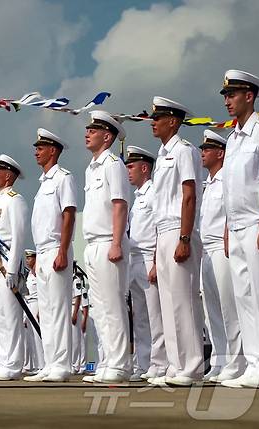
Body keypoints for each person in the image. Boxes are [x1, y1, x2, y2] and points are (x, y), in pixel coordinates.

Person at [219, 70, 259, 389]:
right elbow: (230, 188)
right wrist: (227, 228)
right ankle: (254, 363)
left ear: (249, 96)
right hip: (237, 226)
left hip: (256, 223)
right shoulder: (233, 138)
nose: (227, 100)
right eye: (225, 95)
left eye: (232, 95)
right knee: (244, 297)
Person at [148, 96, 204, 387]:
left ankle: (193, 367)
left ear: (173, 121)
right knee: (168, 302)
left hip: (179, 230)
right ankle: (176, 364)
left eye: (158, 118)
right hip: (163, 231)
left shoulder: (185, 150)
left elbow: (189, 194)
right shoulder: (162, 155)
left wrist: (185, 237)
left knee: (184, 300)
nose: (153, 123)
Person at [81, 111, 131, 384]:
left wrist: (116, 242)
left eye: (94, 129)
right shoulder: (92, 167)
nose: (87, 133)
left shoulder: (113, 164)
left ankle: (120, 365)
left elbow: (120, 204)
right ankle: (108, 361)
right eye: (88, 128)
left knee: (113, 305)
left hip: (108, 243)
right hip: (92, 244)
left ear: (107, 136)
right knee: (99, 308)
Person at [25, 128, 77, 383]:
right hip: (42, 252)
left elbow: (68, 215)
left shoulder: (62, 178)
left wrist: (64, 251)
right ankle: (50, 363)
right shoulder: (43, 182)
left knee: (58, 309)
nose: (36, 151)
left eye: (41, 147)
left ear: (53, 150)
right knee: (45, 312)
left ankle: (62, 365)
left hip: (57, 249)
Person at [199, 129, 245, 383]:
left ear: (220, 153)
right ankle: (219, 360)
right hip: (207, 249)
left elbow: (230, 212)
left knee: (230, 308)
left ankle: (237, 362)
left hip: (222, 247)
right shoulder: (208, 183)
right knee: (211, 311)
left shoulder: (227, 178)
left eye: (207, 149)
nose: (202, 154)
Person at [0, 154, 28, 381]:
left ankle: (13, 364)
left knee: (11, 318)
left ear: (8, 176)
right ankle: (5, 362)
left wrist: (12, 270)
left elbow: (18, 238)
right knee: (0, 318)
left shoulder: (15, 200)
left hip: (7, 267)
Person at [125, 145, 168, 381]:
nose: (128, 171)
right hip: (134, 259)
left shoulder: (153, 194)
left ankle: (160, 363)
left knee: (155, 315)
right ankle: (143, 363)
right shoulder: (138, 196)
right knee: (140, 316)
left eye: (131, 167)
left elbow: (158, 230)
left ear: (144, 168)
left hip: (149, 256)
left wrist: (155, 263)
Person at [21, 250, 44, 375]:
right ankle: (35, 365)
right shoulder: (29, 274)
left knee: (37, 335)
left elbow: (42, 292)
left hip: (36, 303)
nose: (27, 260)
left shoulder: (37, 273)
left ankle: (42, 365)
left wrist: (41, 309)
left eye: (29, 258)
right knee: (30, 336)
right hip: (29, 304)